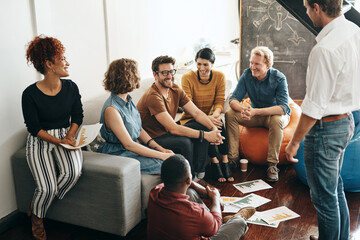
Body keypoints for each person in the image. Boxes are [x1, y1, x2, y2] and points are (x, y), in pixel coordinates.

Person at [285, 0, 360, 239]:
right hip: (346, 121)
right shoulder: (353, 30)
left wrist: (293, 142)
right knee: (334, 188)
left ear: (317, 7)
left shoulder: (325, 49)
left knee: (324, 199)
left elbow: (313, 107)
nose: (307, 13)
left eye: (307, 8)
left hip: (326, 129)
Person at [22, 35, 84, 240]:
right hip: (41, 140)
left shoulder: (71, 87)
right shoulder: (29, 94)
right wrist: (59, 142)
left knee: (73, 173)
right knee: (45, 187)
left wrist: (70, 135)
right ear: (49, 64)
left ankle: (41, 201)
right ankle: (37, 218)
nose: (67, 62)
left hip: (66, 135)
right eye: (63, 58)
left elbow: (78, 116)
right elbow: (34, 128)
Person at [137, 56, 224, 180]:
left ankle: (199, 175)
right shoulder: (153, 96)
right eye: (164, 73)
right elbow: (173, 128)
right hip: (153, 137)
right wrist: (206, 135)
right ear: (155, 75)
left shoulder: (175, 89)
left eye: (171, 71)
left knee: (204, 125)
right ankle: (190, 179)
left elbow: (196, 113)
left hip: (166, 132)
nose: (169, 76)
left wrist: (213, 129)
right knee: (184, 142)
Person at [147, 154, 255, 239]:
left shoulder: (154, 192)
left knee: (190, 192)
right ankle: (236, 218)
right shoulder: (195, 212)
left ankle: (214, 220)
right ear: (188, 179)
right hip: (210, 227)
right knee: (239, 223)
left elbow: (189, 184)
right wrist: (215, 198)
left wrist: (203, 190)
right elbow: (215, 228)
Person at [225, 46, 290, 182]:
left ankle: (272, 165)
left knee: (277, 120)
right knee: (230, 114)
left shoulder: (279, 78)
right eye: (251, 63)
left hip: (273, 115)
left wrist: (255, 112)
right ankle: (233, 160)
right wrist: (244, 110)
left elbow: (283, 108)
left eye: (257, 64)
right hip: (254, 114)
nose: (252, 67)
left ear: (267, 65)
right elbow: (233, 99)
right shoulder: (247, 74)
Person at [97, 59, 174, 174]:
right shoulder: (111, 109)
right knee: (168, 165)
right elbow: (129, 145)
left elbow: (139, 129)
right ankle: (198, 188)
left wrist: (160, 149)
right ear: (128, 77)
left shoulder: (128, 100)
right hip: (118, 154)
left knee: (175, 161)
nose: (138, 76)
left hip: (132, 149)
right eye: (136, 73)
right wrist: (161, 156)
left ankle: (197, 188)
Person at [179, 48, 233, 182]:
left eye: (205, 64)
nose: (201, 68)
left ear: (212, 64)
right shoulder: (187, 78)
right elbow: (188, 103)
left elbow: (219, 101)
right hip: (190, 118)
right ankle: (216, 162)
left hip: (210, 116)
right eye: (198, 64)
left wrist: (215, 115)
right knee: (207, 126)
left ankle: (225, 160)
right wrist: (207, 118)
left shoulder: (219, 76)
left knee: (219, 122)